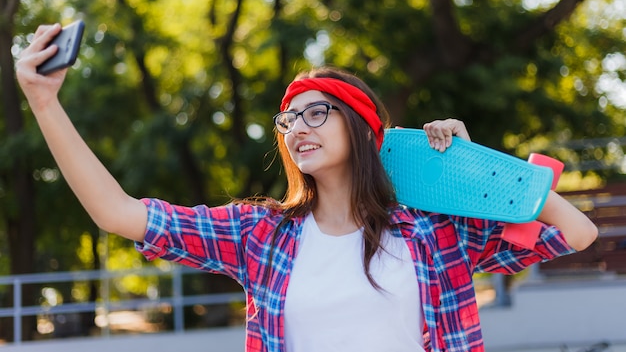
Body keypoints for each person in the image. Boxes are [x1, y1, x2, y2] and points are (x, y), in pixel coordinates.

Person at [16, 23, 598, 352]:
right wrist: (44, 101)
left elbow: (576, 232)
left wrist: (476, 171)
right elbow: (118, 213)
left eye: (316, 113)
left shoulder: (435, 230)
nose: (297, 128)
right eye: (289, 120)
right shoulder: (259, 233)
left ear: (362, 127)